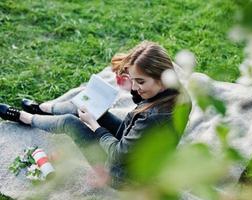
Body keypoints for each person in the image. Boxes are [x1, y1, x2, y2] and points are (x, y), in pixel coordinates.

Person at [0, 41, 181, 188]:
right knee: (89, 106)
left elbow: (118, 154)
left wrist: (94, 125)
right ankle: (43, 108)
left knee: (70, 122)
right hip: (138, 150)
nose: (134, 87)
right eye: (133, 80)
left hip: (122, 174)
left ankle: (24, 117)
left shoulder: (152, 117)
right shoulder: (176, 94)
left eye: (140, 82)